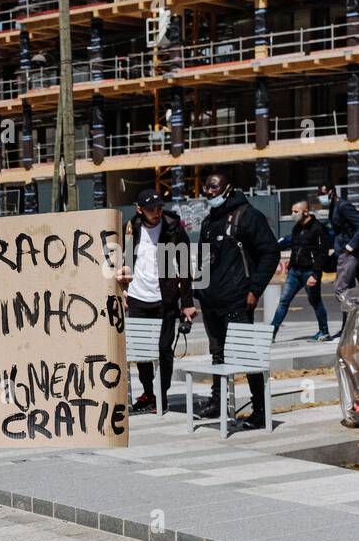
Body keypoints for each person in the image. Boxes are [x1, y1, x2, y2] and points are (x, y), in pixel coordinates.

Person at [194, 171, 279, 430]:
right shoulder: (210, 221)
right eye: (207, 187)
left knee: (247, 357)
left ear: (228, 188)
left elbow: (270, 253)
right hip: (212, 303)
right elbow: (204, 259)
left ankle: (260, 410)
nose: (209, 191)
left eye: (214, 187)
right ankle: (218, 401)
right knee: (217, 355)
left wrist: (254, 289)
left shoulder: (247, 216)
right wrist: (199, 291)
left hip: (237, 302)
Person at [118, 187, 196, 413]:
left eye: (160, 207)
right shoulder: (131, 230)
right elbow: (122, 261)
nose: (157, 212)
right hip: (138, 299)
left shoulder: (173, 229)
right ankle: (148, 394)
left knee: (164, 350)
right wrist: (122, 289)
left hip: (165, 299)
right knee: (141, 352)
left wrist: (187, 303)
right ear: (140, 209)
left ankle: (162, 395)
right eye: (151, 208)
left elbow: (184, 268)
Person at [272, 200, 331, 342]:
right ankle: (271, 332)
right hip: (294, 272)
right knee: (284, 301)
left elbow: (322, 254)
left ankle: (324, 331)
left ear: (305, 212)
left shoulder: (318, 228)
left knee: (315, 302)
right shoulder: (297, 228)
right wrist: (290, 266)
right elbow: (294, 247)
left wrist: (315, 275)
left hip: (309, 272)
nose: (292, 214)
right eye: (292, 211)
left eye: (295, 211)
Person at [319, 183, 359, 337]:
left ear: (331, 192)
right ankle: (347, 329)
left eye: (323, 192)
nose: (321, 196)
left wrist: (350, 246)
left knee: (341, 290)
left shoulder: (343, 206)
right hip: (342, 251)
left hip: (350, 253)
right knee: (347, 291)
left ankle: (353, 325)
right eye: (319, 193)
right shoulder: (333, 207)